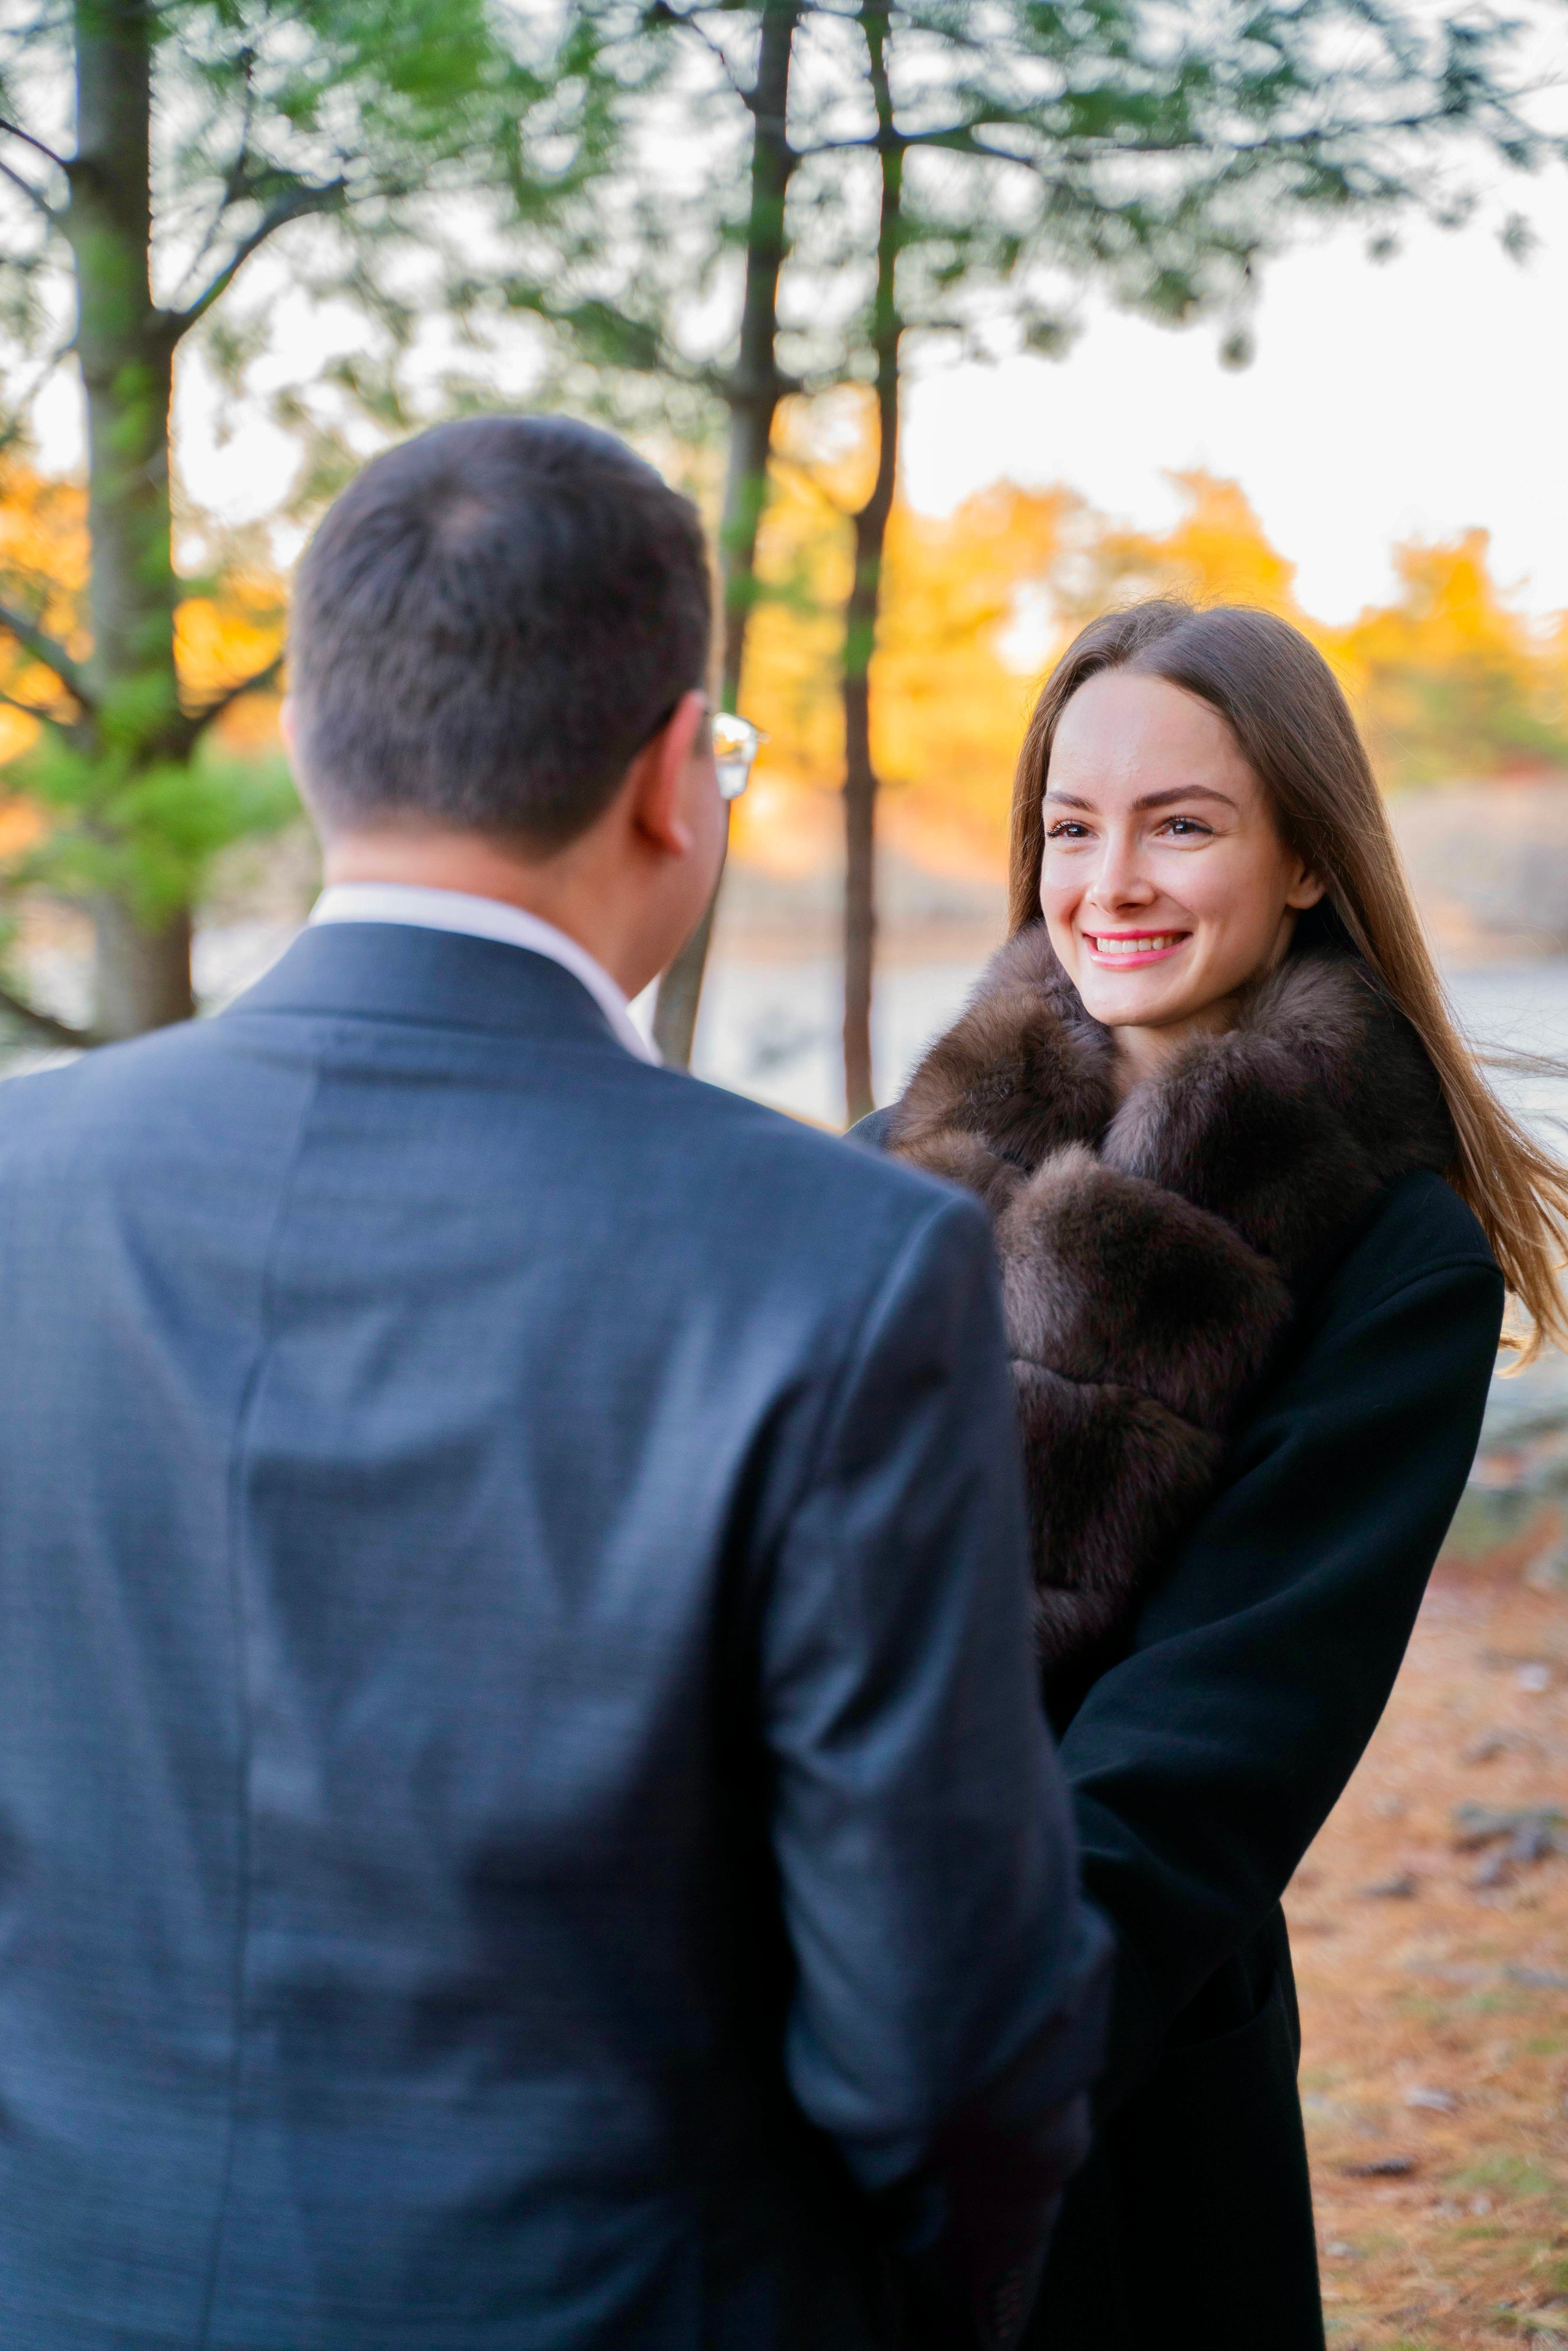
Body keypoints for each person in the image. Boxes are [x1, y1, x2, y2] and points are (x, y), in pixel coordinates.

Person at [0, 416, 1108, 2351]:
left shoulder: (20, 1188)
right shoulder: (834, 1265)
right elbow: (943, 2053)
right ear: (679, 775)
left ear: (310, 742)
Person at [853, 598, 1556, 2348]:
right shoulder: (890, 1172)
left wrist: (938, 2074)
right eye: (1069, 830)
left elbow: (1214, 1751)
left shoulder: (1396, 1260)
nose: (1112, 883)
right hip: (803, 2006)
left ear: (1309, 855)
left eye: (1183, 823)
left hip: (1096, 2068)